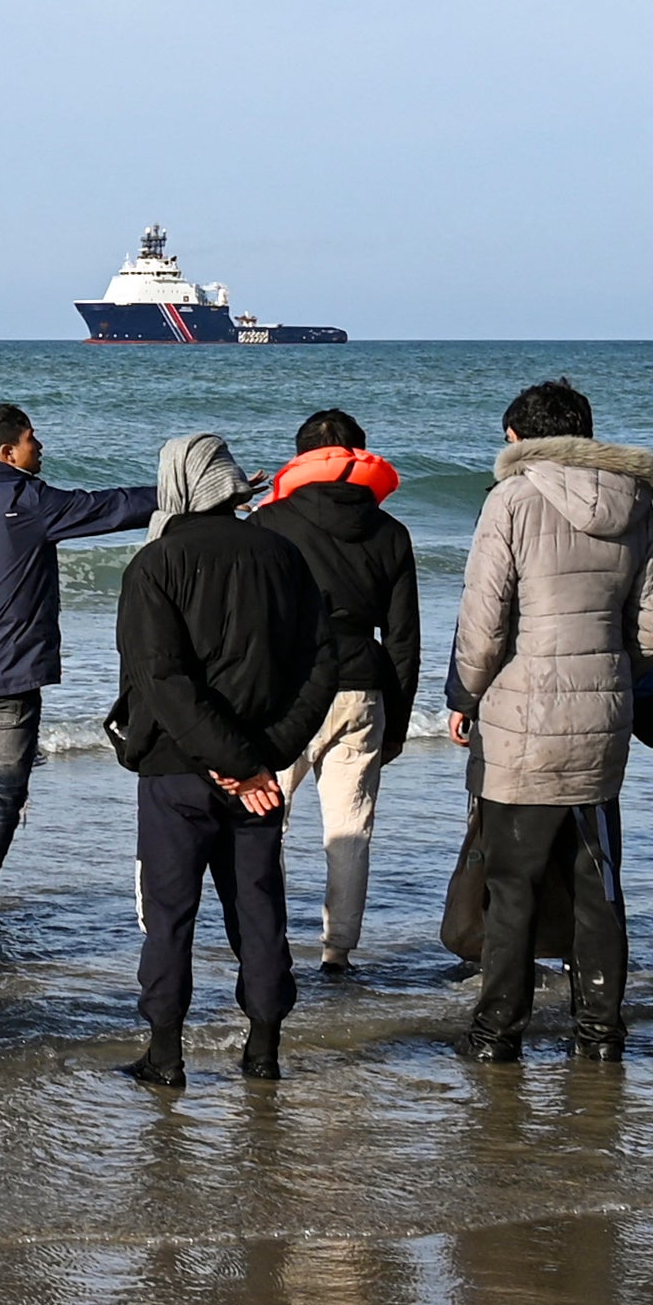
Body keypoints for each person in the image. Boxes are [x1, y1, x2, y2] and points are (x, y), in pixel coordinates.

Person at [444, 382, 653, 1059]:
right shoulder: (634, 502)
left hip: (521, 720)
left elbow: (482, 624)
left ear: (519, 437)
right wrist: (608, 672)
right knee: (596, 882)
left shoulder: (509, 498)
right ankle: (599, 1032)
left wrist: (463, 694)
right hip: (601, 715)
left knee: (510, 885)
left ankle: (495, 1035)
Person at [105, 432, 333, 1084]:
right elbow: (323, 665)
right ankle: (262, 1051)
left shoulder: (154, 564)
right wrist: (263, 757)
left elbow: (161, 682)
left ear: (176, 484)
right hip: (259, 768)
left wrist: (234, 759)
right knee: (258, 909)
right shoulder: (283, 556)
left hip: (175, 770)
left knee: (169, 915)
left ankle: (164, 1055)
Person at [0, 404, 156, 917]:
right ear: (7, 453)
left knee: (14, 759)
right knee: (7, 788)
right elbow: (108, 507)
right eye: (31, 439)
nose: (39, 447)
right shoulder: (25, 499)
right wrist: (184, 493)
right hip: (11, 670)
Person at [249, 411, 418, 979]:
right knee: (349, 828)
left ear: (301, 460)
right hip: (362, 686)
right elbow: (402, 639)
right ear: (359, 458)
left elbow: (254, 623)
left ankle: (262, 936)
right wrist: (396, 723)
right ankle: (337, 950)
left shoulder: (270, 521)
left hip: (290, 687)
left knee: (267, 818)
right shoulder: (390, 532)